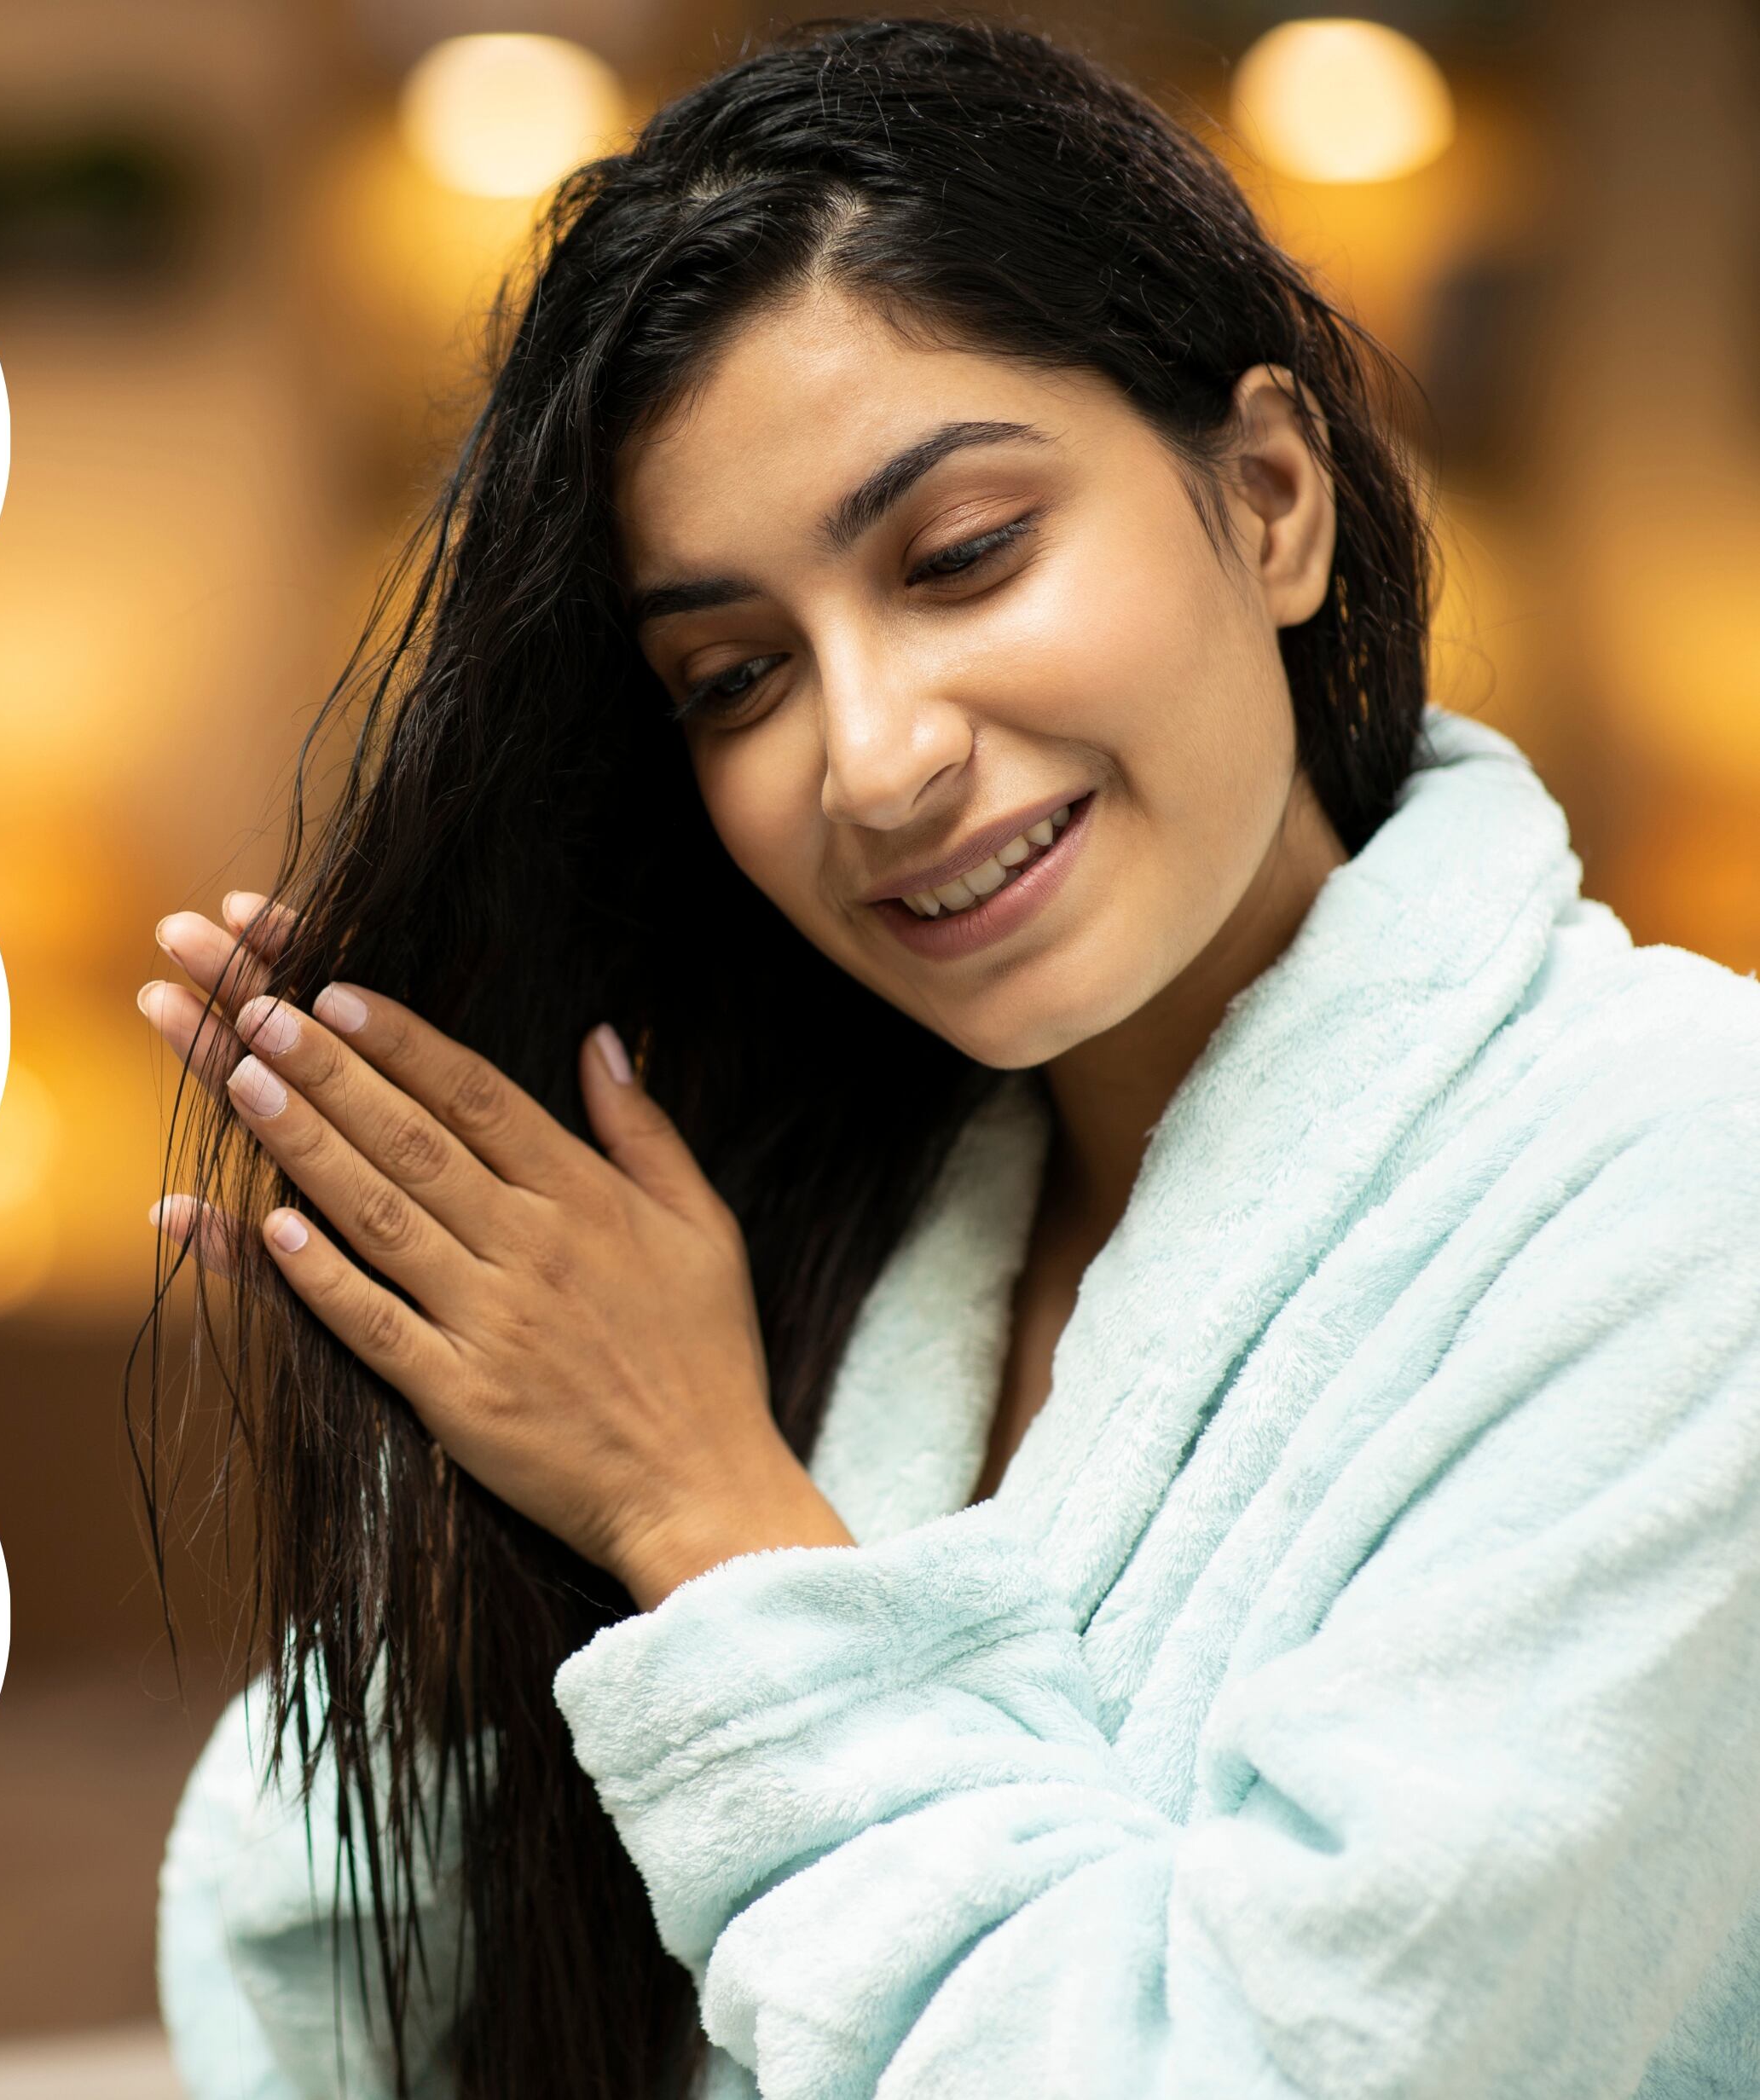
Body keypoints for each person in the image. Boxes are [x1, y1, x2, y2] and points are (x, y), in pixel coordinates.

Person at [133, 18, 1760, 2097]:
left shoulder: (1680, 1174)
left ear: (1269, 498)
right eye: (734, 674)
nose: (877, 758)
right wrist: (469, 1462)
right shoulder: (817, 1204)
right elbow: (336, 1992)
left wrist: (692, 1504)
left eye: (962, 552)